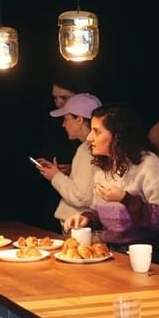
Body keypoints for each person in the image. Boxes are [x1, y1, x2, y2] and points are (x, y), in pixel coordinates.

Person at [64, 105, 159, 252]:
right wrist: (87, 218)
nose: (89, 138)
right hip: (110, 250)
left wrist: (125, 198)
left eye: (97, 132)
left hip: (143, 253)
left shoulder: (148, 164)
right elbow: (101, 214)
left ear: (117, 136)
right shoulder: (103, 168)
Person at [34, 92, 100, 226]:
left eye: (66, 119)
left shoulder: (89, 148)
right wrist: (70, 172)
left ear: (79, 119)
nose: (63, 125)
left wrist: (55, 176)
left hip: (78, 225)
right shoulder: (87, 147)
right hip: (79, 224)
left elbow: (81, 197)